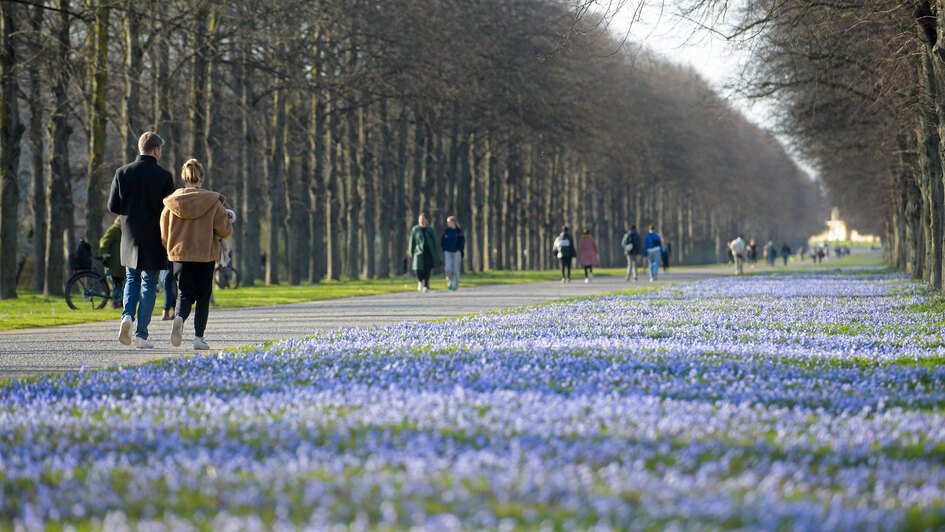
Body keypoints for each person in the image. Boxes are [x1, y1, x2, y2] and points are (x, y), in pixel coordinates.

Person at [107, 132, 175, 349]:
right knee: (149, 284)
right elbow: (170, 210)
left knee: (132, 279)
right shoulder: (164, 176)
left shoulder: (122, 172)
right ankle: (141, 335)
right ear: (156, 150)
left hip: (129, 236)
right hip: (154, 238)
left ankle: (127, 316)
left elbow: (112, 206)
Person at [160, 159, 233, 351]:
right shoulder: (212, 201)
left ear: (184, 178)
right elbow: (224, 229)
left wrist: (171, 247)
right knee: (202, 296)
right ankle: (199, 338)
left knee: (184, 294)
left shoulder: (171, 202)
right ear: (202, 178)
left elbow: (164, 233)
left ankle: (179, 318)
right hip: (205, 255)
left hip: (180, 255)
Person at [408, 213, 442, 292]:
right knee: (418, 268)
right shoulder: (415, 229)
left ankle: (426, 284)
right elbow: (412, 241)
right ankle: (420, 281)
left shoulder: (430, 229)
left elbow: (435, 241)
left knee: (427, 268)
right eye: (420, 219)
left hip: (429, 251)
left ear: (426, 220)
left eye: (423, 219)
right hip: (418, 251)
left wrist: (436, 251)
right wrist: (411, 251)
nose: (421, 221)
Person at [98, 217, 125, 309]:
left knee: (120, 283)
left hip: (120, 263)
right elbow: (104, 241)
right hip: (114, 263)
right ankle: (114, 304)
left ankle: (120, 303)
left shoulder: (120, 230)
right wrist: (104, 252)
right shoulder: (114, 230)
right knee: (116, 283)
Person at [441, 215, 465, 291]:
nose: (447, 223)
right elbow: (443, 241)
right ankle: (449, 282)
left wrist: (460, 249)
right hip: (448, 251)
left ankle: (455, 284)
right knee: (447, 268)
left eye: (449, 222)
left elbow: (462, 241)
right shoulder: (446, 231)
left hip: (457, 252)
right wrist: (444, 248)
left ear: (453, 222)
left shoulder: (459, 231)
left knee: (455, 269)